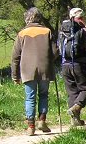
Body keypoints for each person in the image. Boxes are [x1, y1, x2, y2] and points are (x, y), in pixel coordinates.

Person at [11, 7, 58, 136]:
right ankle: (42, 120)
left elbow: (15, 57)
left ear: (27, 18)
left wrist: (15, 76)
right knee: (43, 95)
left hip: (27, 70)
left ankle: (31, 126)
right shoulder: (47, 31)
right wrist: (49, 60)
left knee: (30, 98)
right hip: (45, 69)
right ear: (39, 18)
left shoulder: (22, 33)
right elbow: (55, 52)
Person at [60, 8, 86, 126]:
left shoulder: (62, 31)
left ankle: (75, 120)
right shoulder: (84, 30)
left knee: (72, 93)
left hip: (65, 65)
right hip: (80, 65)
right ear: (81, 17)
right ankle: (76, 108)